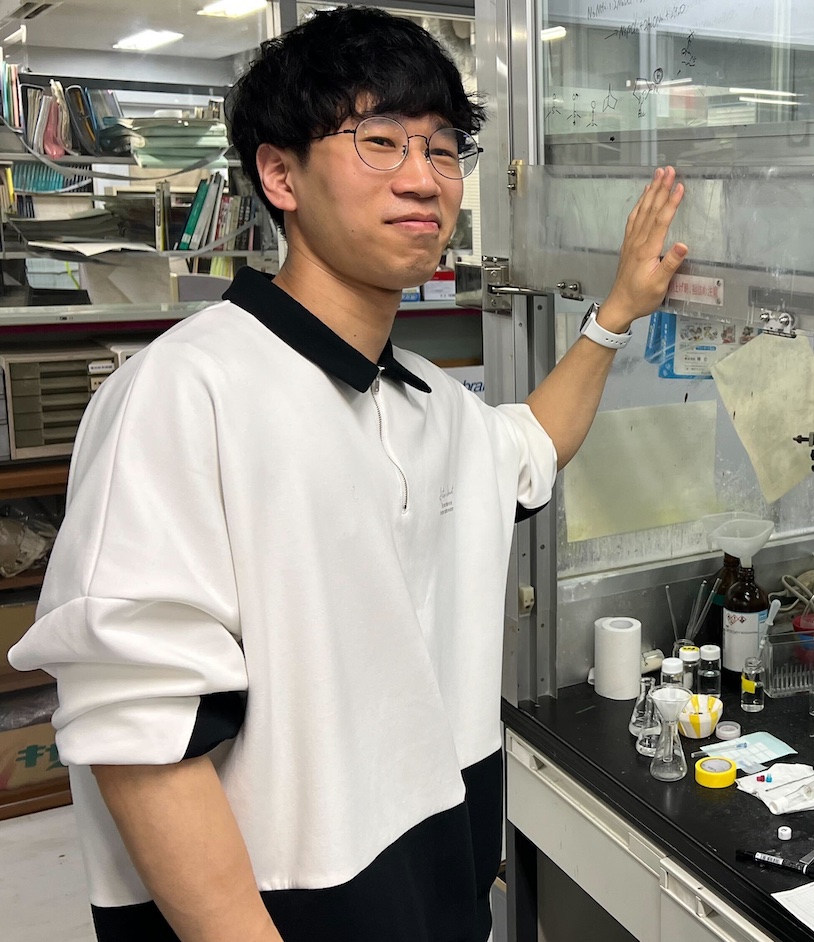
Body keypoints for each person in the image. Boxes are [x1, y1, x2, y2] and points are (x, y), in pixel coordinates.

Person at [9, 7, 688, 942]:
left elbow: (532, 443)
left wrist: (617, 313)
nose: (423, 178)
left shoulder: (428, 400)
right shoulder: (185, 392)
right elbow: (140, 733)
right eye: (379, 140)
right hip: (282, 908)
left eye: (443, 148)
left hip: (435, 882)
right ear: (279, 175)